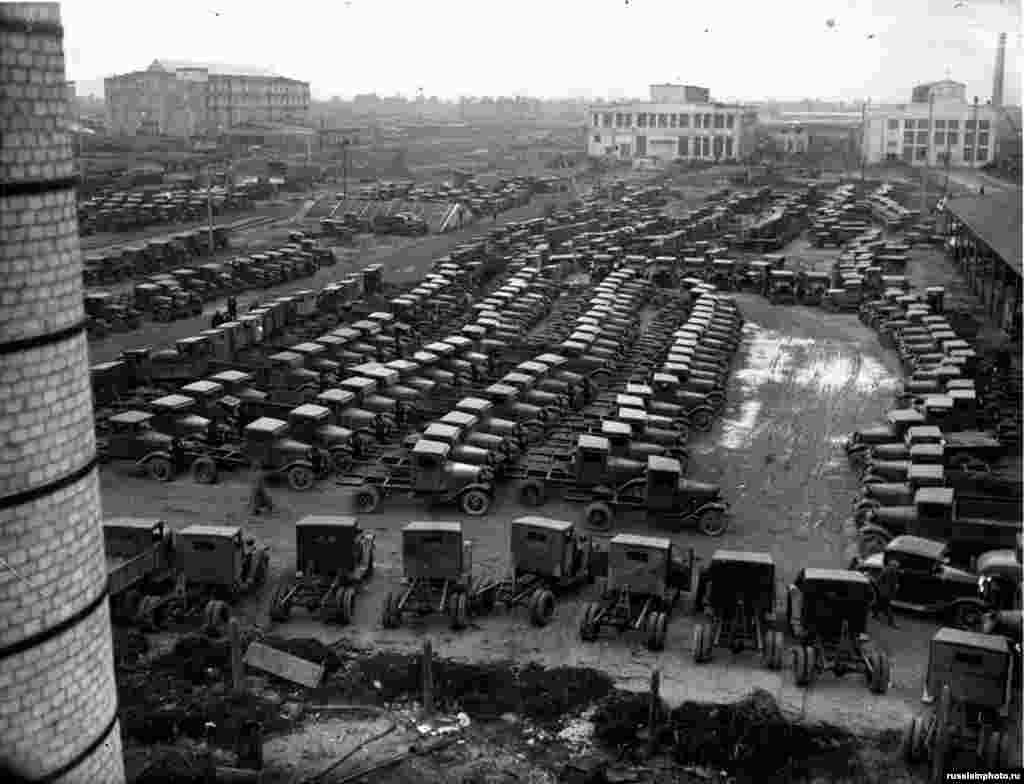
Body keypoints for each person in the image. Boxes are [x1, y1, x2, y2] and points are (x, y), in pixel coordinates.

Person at [872, 559, 900, 627]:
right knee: (887, 608)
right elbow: (892, 584)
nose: (896, 568)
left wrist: (878, 587)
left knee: (879, 603)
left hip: (881, 591)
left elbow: (878, 580)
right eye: (896, 567)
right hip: (886, 593)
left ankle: (875, 615)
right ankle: (891, 623)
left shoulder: (885, 570)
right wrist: (895, 587)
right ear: (893, 566)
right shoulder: (892, 572)